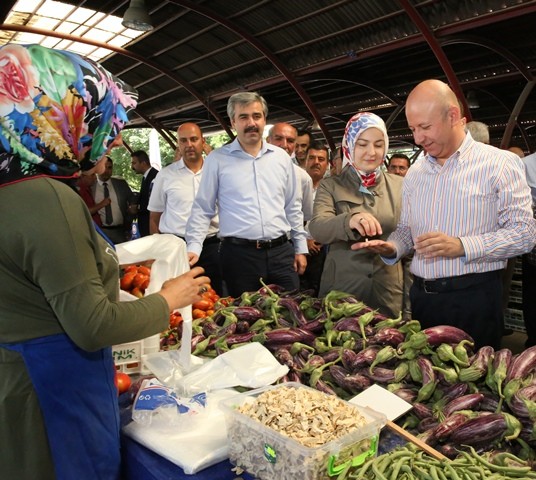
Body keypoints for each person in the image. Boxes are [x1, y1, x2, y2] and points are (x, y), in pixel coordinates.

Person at [0, 44, 209, 480]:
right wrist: (169, 298)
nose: (112, 139)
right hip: (56, 391)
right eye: (104, 122)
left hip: (20, 378)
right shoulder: (47, 199)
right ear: (60, 114)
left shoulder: (11, 185)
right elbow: (92, 325)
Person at [351, 79, 536, 349]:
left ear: (452, 116)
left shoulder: (499, 163)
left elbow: (525, 234)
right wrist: (391, 247)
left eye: (425, 127)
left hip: (474, 299)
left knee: (473, 382)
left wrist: (462, 246)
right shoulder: (416, 173)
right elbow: (406, 229)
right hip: (423, 298)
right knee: (426, 380)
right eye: (413, 129)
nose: (417, 138)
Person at [186, 91, 308, 297]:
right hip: (239, 257)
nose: (251, 123)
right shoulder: (217, 160)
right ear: (233, 122)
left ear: (264, 120)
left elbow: (292, 206)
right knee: (246, 320)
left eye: (256, 116)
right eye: (244, 117)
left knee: (292, 315)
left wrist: (300, 247)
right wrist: (194, 248)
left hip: (281, 253)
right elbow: (203, 209)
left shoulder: (281, 158)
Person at [308, 112, 405, 318]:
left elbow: (411, 238)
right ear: (349, 146)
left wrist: (392, 249)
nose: (371, 152)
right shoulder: (331, 186)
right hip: (343, 290)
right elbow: (318, 227)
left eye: (378, 145)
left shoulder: (400, 186)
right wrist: (349, 219)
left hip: (387, 291)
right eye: (362, 144)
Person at [148, 122, 223, 294]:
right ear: (178, 144)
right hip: (177, 248)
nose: (189, 145)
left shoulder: (218, 173)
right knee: (180, 300)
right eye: (183, 141)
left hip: (212, 247)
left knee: (214, 297)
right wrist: (156, 251)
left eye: (194, 139)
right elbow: (155, 216)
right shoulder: (165, 175)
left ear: (203, 142)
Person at [266, 123, 314, 221]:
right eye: (278, 139)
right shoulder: (253, 170)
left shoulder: (303, 178)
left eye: (290, 141)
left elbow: (305, 216)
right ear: (268, 141)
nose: (284, 145)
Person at [301, 141, 330, 295]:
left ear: (327, 164)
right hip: (296, 248)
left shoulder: (332, 189)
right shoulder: (294, 184)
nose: (316, 163)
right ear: (305, 161)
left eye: (321, 159)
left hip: (322, 250)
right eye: (312, 158)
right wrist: (303, 240)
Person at [93, 156, 137, 244]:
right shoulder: (91, 186)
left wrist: (133, 207)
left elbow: (132, 198)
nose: (106, 171)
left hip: (120, 231)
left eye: (109, 167)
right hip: (99, 232)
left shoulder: (120, 184)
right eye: (104, 167)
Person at [131, 150, 158, 237]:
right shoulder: (146, 177)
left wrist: (138, 208)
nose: (132, 167)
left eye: (134, 163)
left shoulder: (155, 177)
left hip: (151, 224)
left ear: (143, 163)